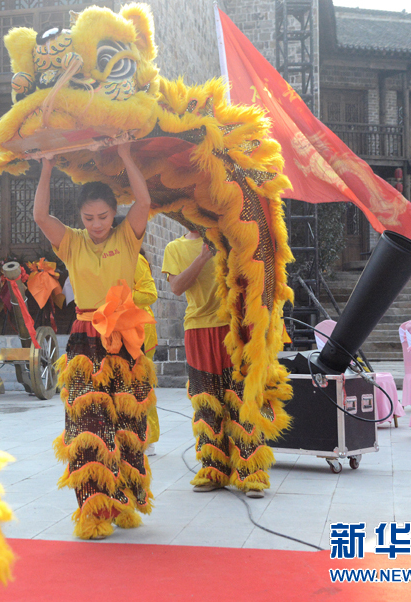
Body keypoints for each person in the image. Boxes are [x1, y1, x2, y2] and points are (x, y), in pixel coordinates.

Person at [34, 142, 154, 540]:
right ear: (80, 218)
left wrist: (124, 154)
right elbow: (39, 215)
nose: (97, 224)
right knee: (87, 426)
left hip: (122, 338)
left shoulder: (128, 235)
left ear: (114, 214)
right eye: (89, 218)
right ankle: (93, 511)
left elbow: (145, 199)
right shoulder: (71, 242)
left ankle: (121, 504)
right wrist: (47, 168)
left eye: (103, 216)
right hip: (86, 340)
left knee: (126, 425)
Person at [162, 230, 269, 498]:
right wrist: (202, 258)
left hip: (234, 328)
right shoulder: (175, 247)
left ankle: (251, 471)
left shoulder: (232, 240)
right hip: (198, 329)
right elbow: (176, 288)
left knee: (242, 400)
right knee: (206, 401)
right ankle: (214, 468)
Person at [133, 250, 159, 456]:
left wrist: (120, 296)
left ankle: (148, 438)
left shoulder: (136, 260)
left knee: (142, 385)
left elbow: (150, 294)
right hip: (118, 329)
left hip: (140, 331)